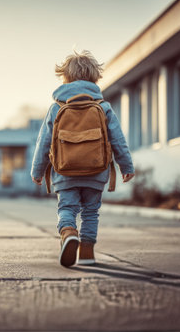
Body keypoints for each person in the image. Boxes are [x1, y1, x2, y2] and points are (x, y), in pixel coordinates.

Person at [31, 50, 135, 267]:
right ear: (94, 77)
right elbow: (117, 140)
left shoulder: (56, 108)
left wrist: (37, 171)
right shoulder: (103, 107)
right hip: (96, 171)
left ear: (65, 77)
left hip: (64, 171)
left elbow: (44, 143)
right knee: (90, 212)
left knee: (67, 208)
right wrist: (126, 165)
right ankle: (87, 253)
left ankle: (68, 232)